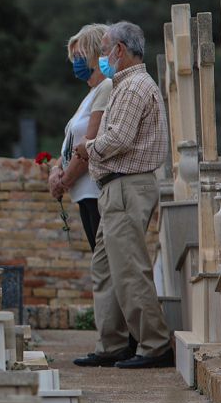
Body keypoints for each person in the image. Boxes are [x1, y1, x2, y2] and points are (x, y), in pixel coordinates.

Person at [71, 21, 173, 369]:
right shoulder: (125, 85)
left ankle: (155, 344)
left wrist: (89, 147)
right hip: (117, 187)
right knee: (105, 268)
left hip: (127, 186)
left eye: (103, 50)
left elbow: (119, 139)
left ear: (120, 50)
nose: (101, 58)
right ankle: (111, 343)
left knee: (129, 268)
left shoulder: (132, 88)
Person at [47, 24, 112, 253]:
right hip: (83, 193)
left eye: (80, 55)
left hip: (94, 190)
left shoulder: (106, 86)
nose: (76, 61)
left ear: (96, 53)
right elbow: (70, 143)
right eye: (73, 56)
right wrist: (56, 168)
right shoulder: (91, 94)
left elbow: (90, 141)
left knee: (103, 256)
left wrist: (64, 182)